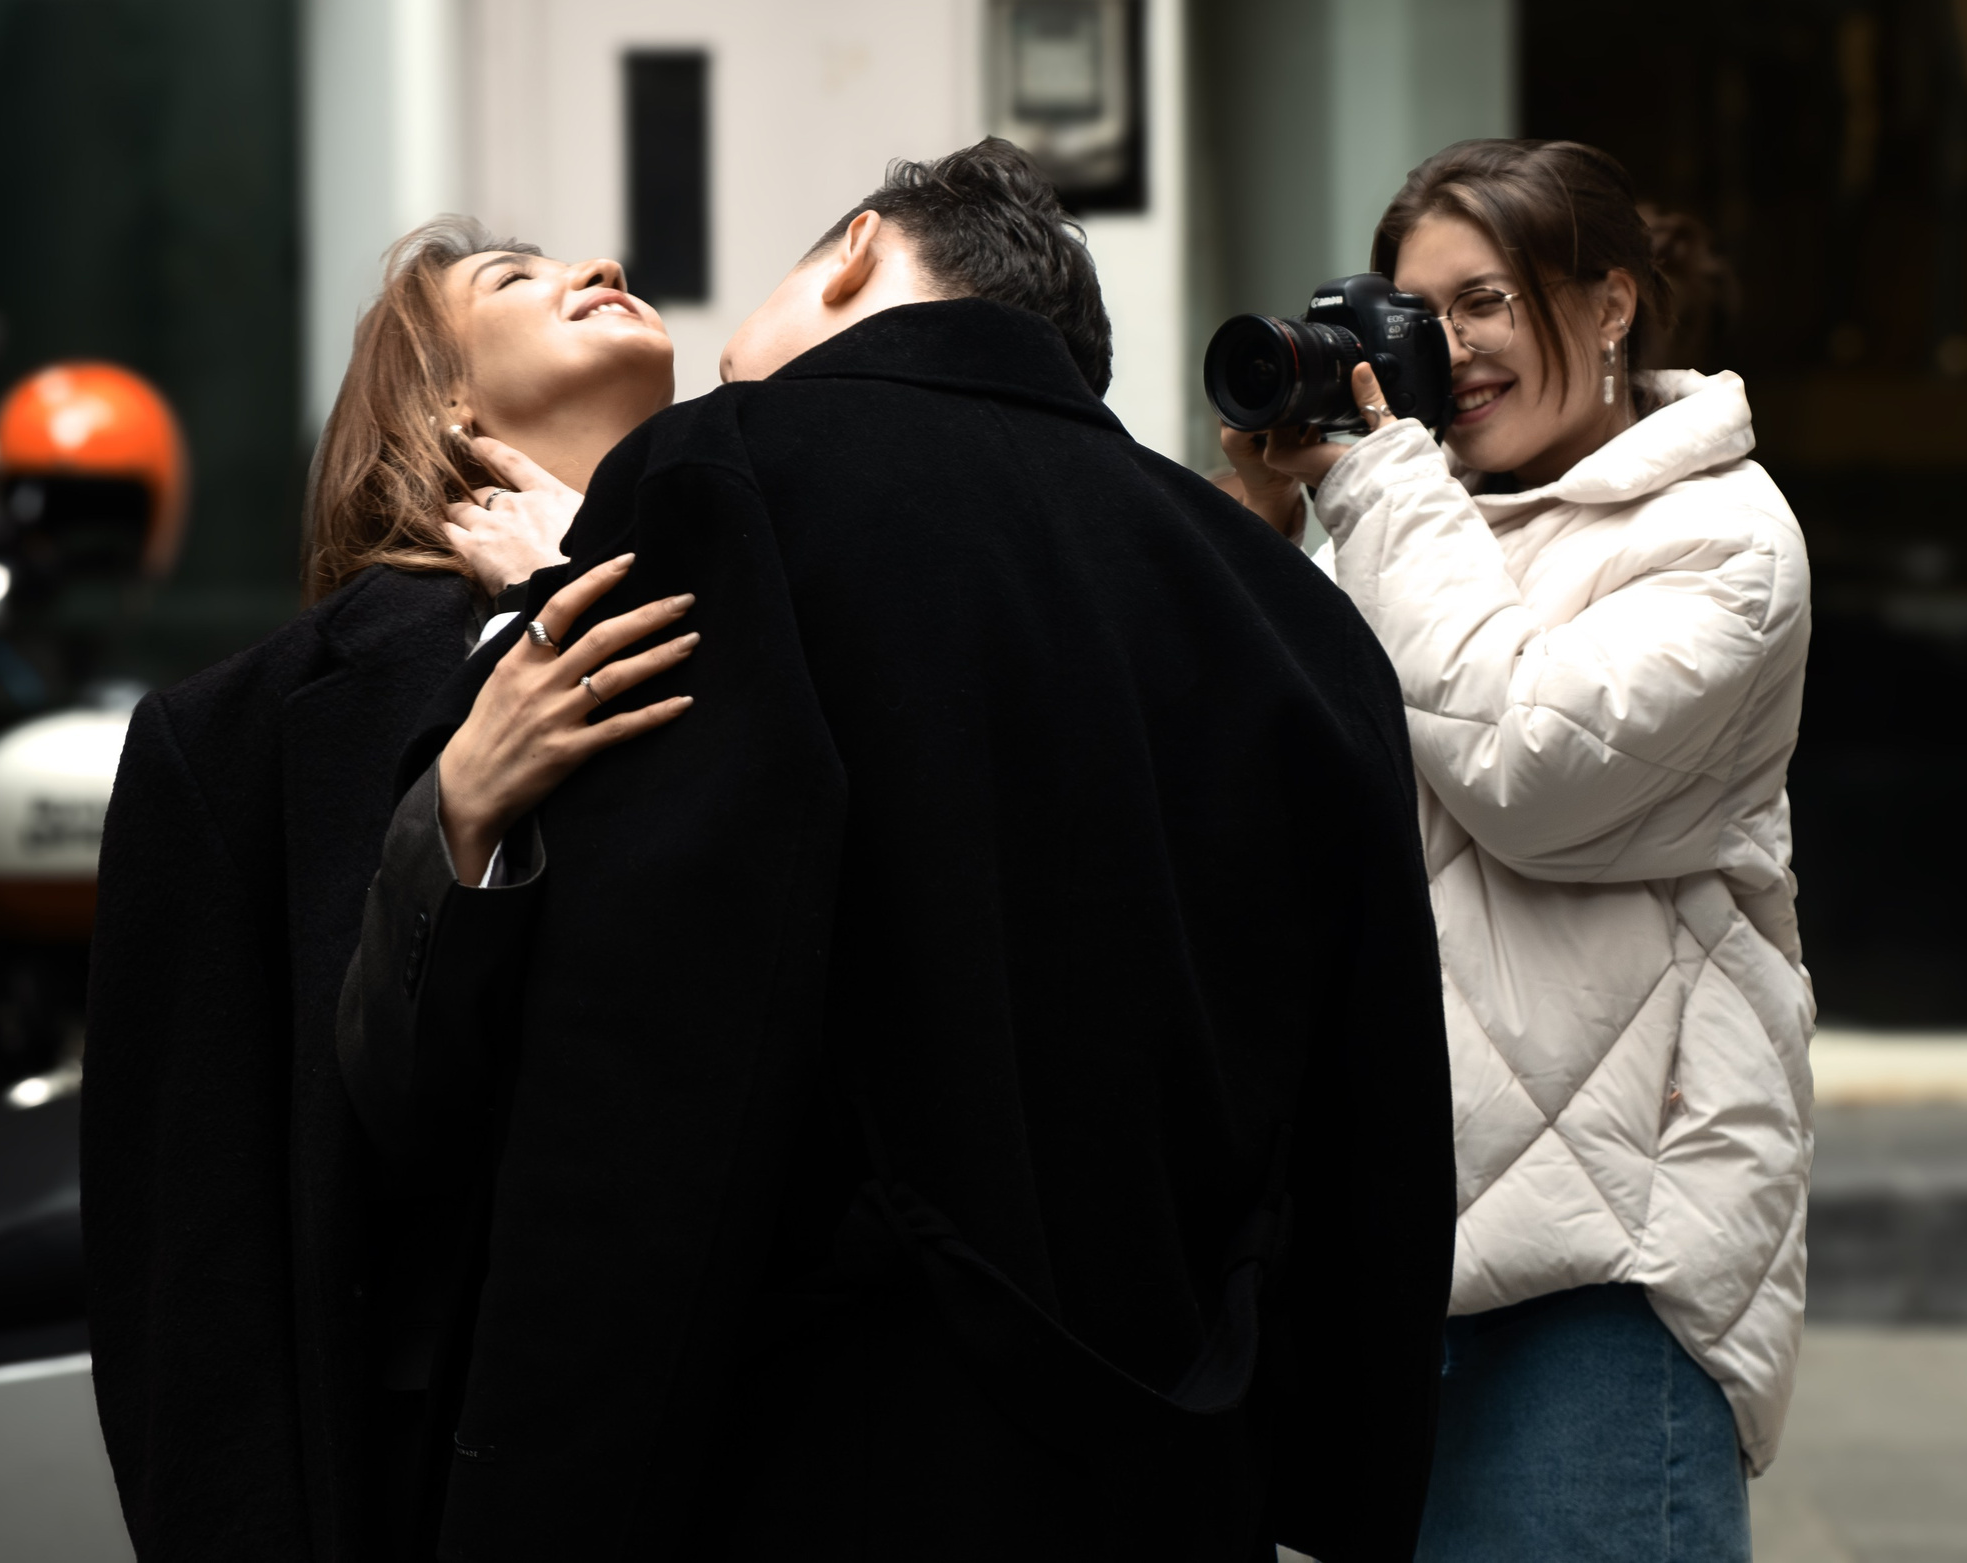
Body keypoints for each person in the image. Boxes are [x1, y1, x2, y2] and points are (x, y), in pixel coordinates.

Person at [332, 137, 1454, 1561]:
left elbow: (645, 1048)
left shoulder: (724, 477)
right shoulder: (1291, 618)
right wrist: (1343, 1485)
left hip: (829, 1456)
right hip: (1180, 1469)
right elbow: (1376, 1125)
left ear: (855, 253)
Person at [1222, 139, 1814, 1563]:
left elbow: (1526, 766)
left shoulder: (1724, 537)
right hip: (1384, 1250)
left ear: (1611, 305)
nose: (1448, 351)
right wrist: (1247, 541)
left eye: (1484, 301)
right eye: (1419, 315)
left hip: (1600, 1272)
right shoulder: (1394, 524)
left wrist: (1374, 492)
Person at [83, 217, 692, 1562]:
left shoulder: (757, 615)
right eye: (516, 278)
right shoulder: (235, 739)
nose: (597, 267)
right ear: (442, 398)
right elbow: (192, 1258)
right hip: (434, 1484)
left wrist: (580, 569)